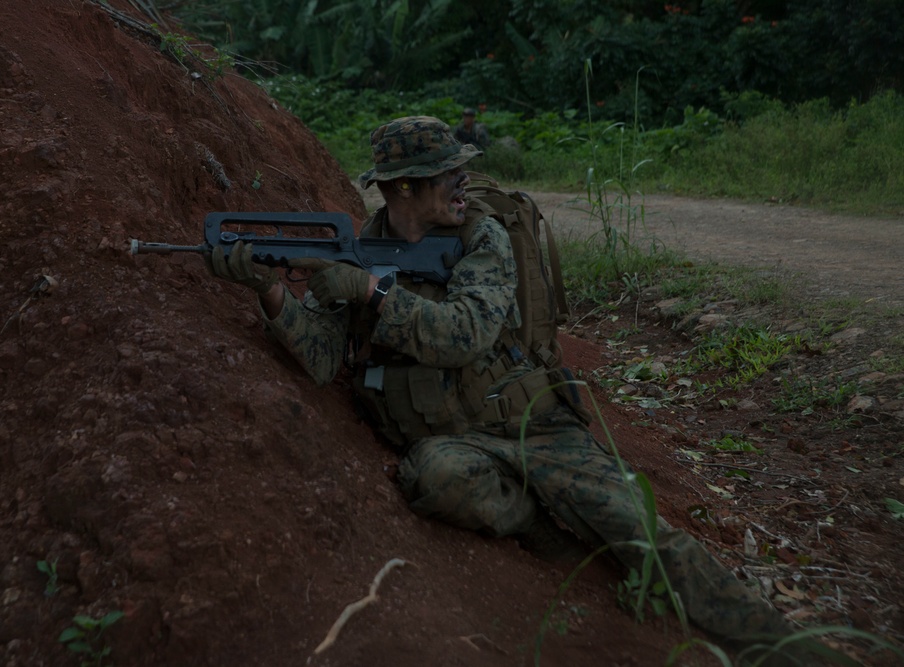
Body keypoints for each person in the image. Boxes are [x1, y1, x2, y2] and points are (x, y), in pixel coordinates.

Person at [206, 116, 802, 664]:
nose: (463, 181)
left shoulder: (479, 237)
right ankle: (547, 524)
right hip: (456, 444)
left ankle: (793, 651)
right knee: (434, 480)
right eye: (448, 173)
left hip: (533, 427)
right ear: (405, 188)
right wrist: (272, 294)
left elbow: (467, 333)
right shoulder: (356, 248)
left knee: (641, 531)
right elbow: (323, 358)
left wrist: (372, 295)